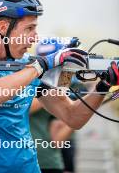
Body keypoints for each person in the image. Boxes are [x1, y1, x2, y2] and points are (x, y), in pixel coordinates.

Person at [0, 0, 118, 173]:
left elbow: (72, 117)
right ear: (3, 27)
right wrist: (41, 65)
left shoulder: (30, 66)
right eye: (29, 28)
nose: (35, 37)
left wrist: (103, 86)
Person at [30, 37, 78, 173]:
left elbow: (58, 138)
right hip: (26, 159)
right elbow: (26, 107)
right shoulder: (29, 78)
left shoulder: (67, 80)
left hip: (51, 160)